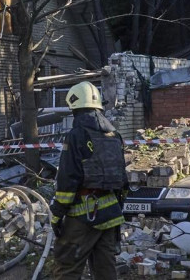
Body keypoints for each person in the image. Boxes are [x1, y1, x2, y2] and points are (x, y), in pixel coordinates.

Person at [49, 81, 127, 280]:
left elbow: (68, 180)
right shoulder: (114, 135)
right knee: (105, 271)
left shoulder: (76, 135)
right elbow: (122, 180)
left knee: (67, 268)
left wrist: (57, 215)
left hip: (82, 217)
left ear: (74, 107)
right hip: (111, 216)